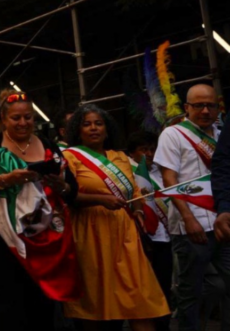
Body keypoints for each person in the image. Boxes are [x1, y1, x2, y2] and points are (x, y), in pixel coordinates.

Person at [0, 89, 79, 331]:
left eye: (28, 117)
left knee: (41, 305)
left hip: (44, 239)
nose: (23, 123)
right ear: (3, 120)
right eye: (16, 118)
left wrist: (60, 185)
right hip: (0, 239)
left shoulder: (49, 144)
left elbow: (71, 188)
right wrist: (7, 179)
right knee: (8, 306)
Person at [62, 104, 169, 329]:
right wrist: (100, 200)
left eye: (98, 124)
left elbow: (136, 191)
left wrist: (138, 210)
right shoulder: (70, 157)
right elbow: (67, 195)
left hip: (126, 233)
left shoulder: (119, 157)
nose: (93, 128)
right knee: (99, 300)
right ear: (77, 130)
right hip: (91, 232)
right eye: (87, 124)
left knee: (140, 298)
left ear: (107, 129)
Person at [155, 83, 227, 331]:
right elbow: (169, 179)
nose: (206, 111)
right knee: (190, 293)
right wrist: (188, 219)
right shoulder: (173, 134)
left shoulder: (221, 134)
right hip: (191, 227)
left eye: (211, 105)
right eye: (199, 105)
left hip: (222, 222)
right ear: (187, 107)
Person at [128, 132, 174, 331]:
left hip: (164, 237)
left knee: (163, 287)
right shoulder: (126, 171)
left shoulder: (160, 171)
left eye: (151, 149)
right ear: (133, 152)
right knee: (143, 288)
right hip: (141, 237)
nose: (149, 153)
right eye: (143, 149)